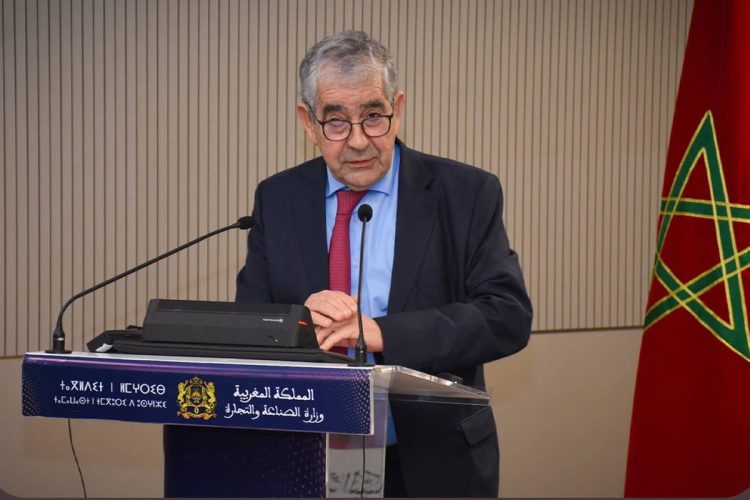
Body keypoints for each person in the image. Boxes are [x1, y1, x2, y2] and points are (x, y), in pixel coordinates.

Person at [235, 31, 532, 497]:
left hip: (434, 464)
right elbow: (248, 327)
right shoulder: (277, 198)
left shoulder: (466, 194)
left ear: (398, 108)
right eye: (336, 121)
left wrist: (382, 333)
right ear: (308, 122)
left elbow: (506, 316)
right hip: (306, 459)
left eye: (373, 117)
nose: (358, 141)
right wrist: (297, 322)